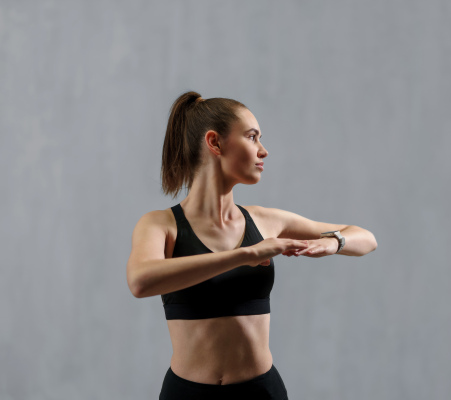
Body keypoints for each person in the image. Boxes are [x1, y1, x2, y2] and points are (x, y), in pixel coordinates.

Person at [126, 91, 377, 399]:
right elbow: (140, 281)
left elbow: (366, 238)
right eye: (252, 137)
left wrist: (334, 243)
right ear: (215, 143)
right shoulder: (160, 225)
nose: (264, 151)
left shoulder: (265, 221)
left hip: (261, 392)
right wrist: (244, 255)